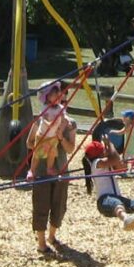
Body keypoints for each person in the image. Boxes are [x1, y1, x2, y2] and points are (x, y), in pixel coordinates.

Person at [26, 81, 78, 257]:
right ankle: (41, 242)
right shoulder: (42, 117)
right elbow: (29, 142)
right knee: (41, 204)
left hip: (61, 169)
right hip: (41, 169)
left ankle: (52, 236)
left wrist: (59, 137)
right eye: (55, 95)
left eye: (61, 95)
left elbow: (70, 149)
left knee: (59, 205)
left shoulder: (69, 122)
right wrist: (42, 143)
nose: (59, 98)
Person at [27, 83, 70, 179]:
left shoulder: (60, 108)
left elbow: (64, 117)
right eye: (54, 96)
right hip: (42, 135)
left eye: (58, 96)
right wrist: (49, 124)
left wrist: (65, 122)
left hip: (53, 136)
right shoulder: (45, 107)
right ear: (48, 97)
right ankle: (32, 171)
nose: (57, 98)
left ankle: (49, 168)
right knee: (37, 154)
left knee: (52, 153)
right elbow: (44, 118)